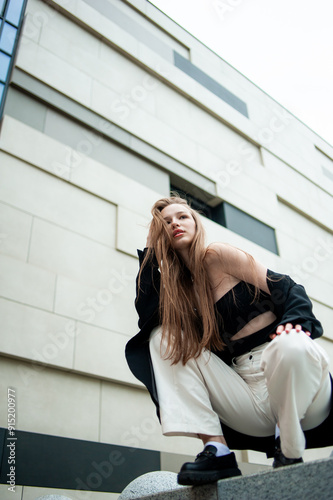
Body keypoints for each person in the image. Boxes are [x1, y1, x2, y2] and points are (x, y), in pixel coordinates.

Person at [125, 195, 333, 486]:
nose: (175, 223)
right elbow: (147, 316)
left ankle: (288, 447)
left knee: (290, 344)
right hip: (247, 399)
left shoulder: (218, 255)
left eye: (182, 216)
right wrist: (150, 249)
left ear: (196, 222)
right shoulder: (181, 292)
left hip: (298, 386)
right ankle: (217, 450)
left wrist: (292, 326)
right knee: (162, 336)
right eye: (166, 222)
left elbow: (288, 288)